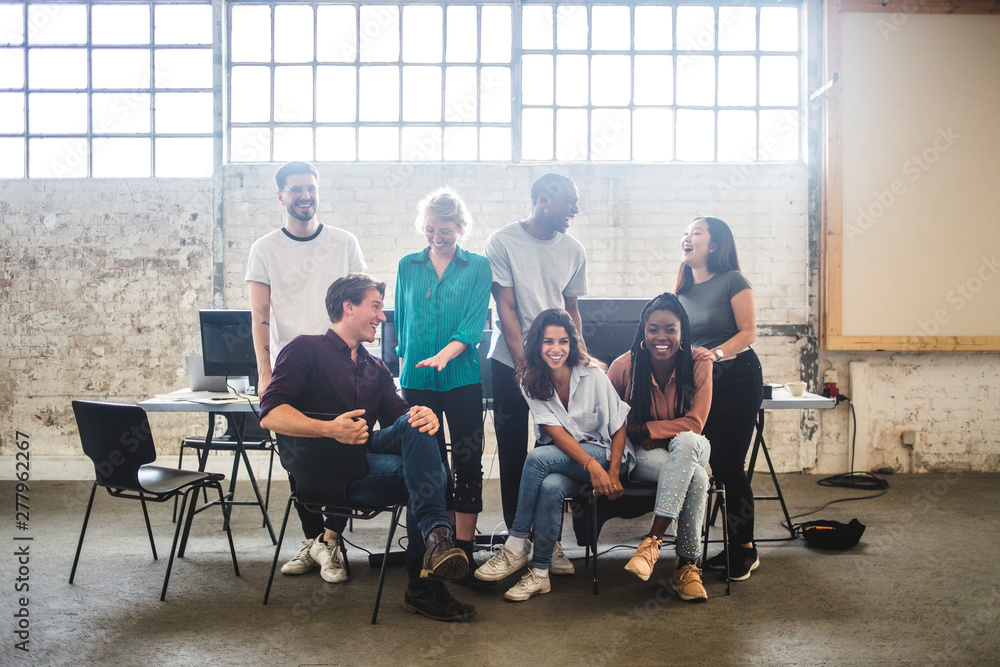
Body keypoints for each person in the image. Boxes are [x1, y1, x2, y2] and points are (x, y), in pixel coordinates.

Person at [259, 273, 476, 622]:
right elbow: (270, 414)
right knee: (424, 472)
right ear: (348, 307)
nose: (382, 316)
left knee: (417, 425)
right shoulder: (304, 348)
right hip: (322, 471)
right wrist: (330, 429)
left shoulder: (375, 367)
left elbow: (400, 419)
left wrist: (424, 415)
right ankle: (426, 578)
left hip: (362, 461)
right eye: (374, 306)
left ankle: (436, 541)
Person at [246, 160, 366, 584]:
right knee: (300, 464)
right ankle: (315, 542)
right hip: (290, 370)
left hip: (338, 363)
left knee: (341, 454)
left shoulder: (344, 241)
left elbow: (362, 298)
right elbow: (260, 315)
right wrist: (264, 373)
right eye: (295, 190)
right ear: (281, 196)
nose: (305, 196)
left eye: (310, 188)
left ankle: (332, 542)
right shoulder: (264, 249)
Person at [474, 309, 629, 601]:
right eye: (548, 342)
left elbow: (620, 427)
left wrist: (611, 471)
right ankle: (541, 573)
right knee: (550, 486)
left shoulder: (593, 374)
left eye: (562, 342)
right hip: (578, 461)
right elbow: (555, 432)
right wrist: (589, 465)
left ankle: (516, 543)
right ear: (537, 345)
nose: (556, 349)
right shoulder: (530, 380)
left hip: (607, 455)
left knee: (536, 458)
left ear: (572, 344)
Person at [484, 173, 588, 574]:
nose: (575, 210)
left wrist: (579, 359)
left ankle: (549, 542)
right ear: (544, 200)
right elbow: (505, 308)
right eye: (570, 202)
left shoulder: (573, 249)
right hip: (511, 364)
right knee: (513, 455)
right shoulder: (502, 241)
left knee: (554, 455)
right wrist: (524, 367)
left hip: (558, 365)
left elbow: (572, 310)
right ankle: (517, 542)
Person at [394, 188, 492, 586]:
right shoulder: (408, 265)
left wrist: (444, 355)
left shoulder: (477, 267)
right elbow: (401, 322)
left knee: (468, 461)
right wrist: (403, 374)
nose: (437, 236)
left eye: (446, 230)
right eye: (431, 229)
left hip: (461, 376)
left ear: (461, 228)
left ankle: (464, 553)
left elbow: (471, 326)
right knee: (430, 466)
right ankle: (435, 547)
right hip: (417, 380)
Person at [607, 293, 714, 601]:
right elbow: (612, 423)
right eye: (653, 329)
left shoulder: (699, 361)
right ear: (643, 330)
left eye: (670, 329)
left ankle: (653, 539)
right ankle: (687, 567)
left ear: (682, 332)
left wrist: (645, 428)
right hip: (646, 455)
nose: (661, 337)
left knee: (688, 440)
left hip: (691, 447)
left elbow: (695, 422)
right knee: (697, 478)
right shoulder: (623, 367)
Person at [675, 216, 763, 581]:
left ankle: (744, 548)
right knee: (699, 464)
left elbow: (749, 332)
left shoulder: (732, 280)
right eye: (685, 232)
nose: (687, 237)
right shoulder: (682, 289)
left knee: (728, 464)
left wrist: (716, 355)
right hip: (700, 383)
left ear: (714, 245)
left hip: (737, 378)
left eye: (696, 232)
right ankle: (692, 551)